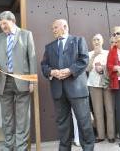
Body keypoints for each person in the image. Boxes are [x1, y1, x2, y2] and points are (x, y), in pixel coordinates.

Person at [41, 19, 95, 151]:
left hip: (77, 89)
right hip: (58, 90)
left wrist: (70, 70)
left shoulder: (78, 40)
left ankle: (88, 148)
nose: (53, 30)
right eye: (52, 28)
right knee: (62, 124)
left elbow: (84, 60)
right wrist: (51, 72)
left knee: (84, 122)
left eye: (55, 27)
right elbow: (44, 65)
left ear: (64, 27)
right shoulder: (49, 47)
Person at [0, 11, 36, 151]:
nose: (2, 26)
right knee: (7, 117)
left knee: (22, 118)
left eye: (4, 23)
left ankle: (21, 147)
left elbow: (32, 57)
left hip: (22, 80)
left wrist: (32, 81)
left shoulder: (26, 34)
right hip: (3, 81)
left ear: (13, 21)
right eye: (0, 24)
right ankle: (8, 146)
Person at [87, 34, 115, 143]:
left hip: (107, 84)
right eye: (94, 40)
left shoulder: (108, 53)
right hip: (94, 84)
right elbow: (87, 69)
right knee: (97, 111)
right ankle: (101, 135)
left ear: (102, 41)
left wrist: (102, 68)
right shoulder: (89, 54)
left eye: (98, 39)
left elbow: (111, 67)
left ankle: (111, 135)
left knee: (110, 110)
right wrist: (93, 56)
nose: (96, 41)